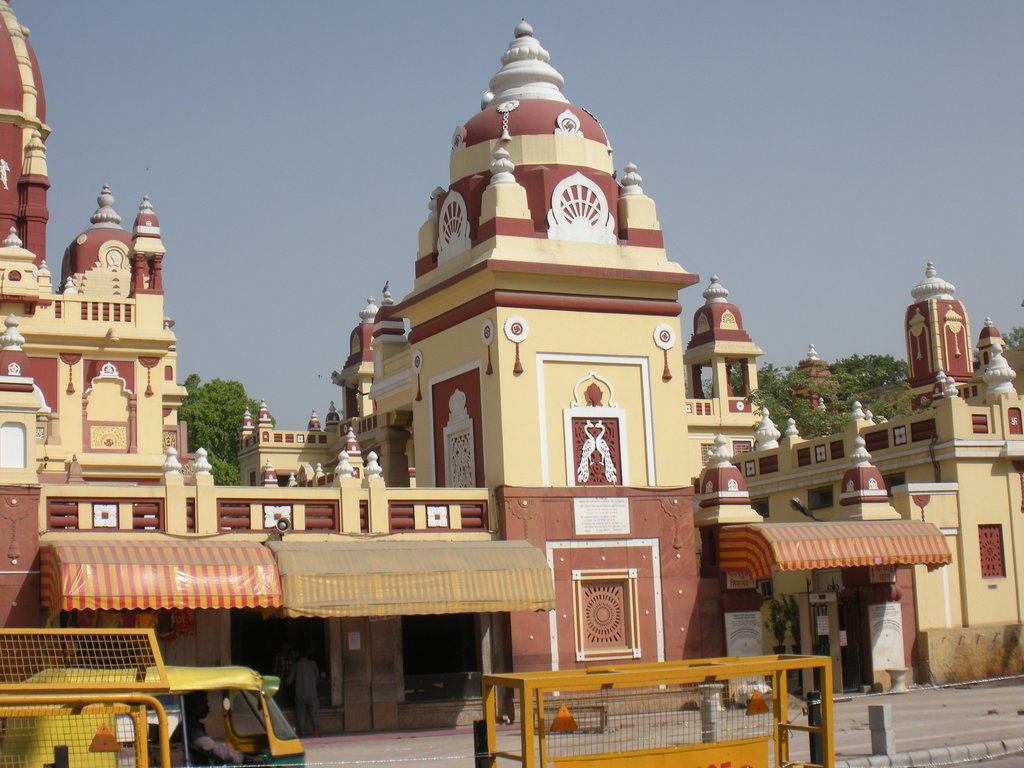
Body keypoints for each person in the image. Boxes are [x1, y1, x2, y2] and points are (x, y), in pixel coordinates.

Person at [184, 692, 262, 766]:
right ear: (191, 705)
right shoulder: (190, 727)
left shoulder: (192, 725)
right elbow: (211, 748)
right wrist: (243, 758)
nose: (207, 707)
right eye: (203, 703)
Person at [286, 649, 320, 737]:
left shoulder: (295, 666)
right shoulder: (313, 664)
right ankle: (315, 733)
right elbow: (317, 678)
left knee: (301, 714)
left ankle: (302, 733)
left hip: (300, 694)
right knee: (314, 713)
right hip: (312, 693)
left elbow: (289, 681)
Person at [271, 642, 298, 707]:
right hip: (281, 681)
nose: (285, 648)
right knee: (283, 698)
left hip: (293, 681)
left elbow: (298, 667)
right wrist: (281, 680)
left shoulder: (294, 655)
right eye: (284, 646)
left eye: (287, 646)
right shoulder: (278, 657)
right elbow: (275, 671)